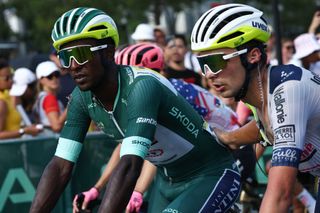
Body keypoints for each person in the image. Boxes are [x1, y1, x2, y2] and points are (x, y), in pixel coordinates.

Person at [30, 7, 240, 213]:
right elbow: (60, 167)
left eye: (81, 53)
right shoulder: (80, 98)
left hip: (210, 174)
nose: (73, 66)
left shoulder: (141, 87)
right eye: (66, 57)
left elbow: (130, 164)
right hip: (166, 181)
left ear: (109, 51)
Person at [74, 42, 242, 213]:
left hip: (233, 149)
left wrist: (138, 191)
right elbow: (125, 146)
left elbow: (159, 145)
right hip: (183, 168)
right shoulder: (135, 95)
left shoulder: (168, 91)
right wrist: (97, 187)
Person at [190, 3, 320, 212]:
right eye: (202, 64)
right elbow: (266, 127)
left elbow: (280, 194)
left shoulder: (287, 90)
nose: (208, 74)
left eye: (214, 61)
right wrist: (228, 138)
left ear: (253, 55)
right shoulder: (261, 93)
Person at [0, 60, 41, 139]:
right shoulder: (1, 102)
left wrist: (26, 129)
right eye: (7, 78)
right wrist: (23, 131)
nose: (11, 81)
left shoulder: (7, 95)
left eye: (11, 76)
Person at [34, 61, 67, 133]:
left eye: (56, 75)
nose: (54, 78)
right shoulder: (49, 98)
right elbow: (56, 126)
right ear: (41, 80)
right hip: (53, 141)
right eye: (49, 76)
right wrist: (70, 106)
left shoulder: (40, 97)